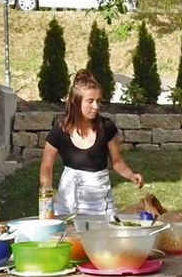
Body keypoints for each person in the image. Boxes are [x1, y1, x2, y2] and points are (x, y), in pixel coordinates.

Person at [40, 69, 144, 216]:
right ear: (76, 102)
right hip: (68, 204)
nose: (96, 106)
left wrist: (132, 176)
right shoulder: (60, 131)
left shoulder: (106, 127)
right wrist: (47, 193)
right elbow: (46, 166)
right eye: (90, 101)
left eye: (98, 101)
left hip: (100, 205)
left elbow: (117, 162)